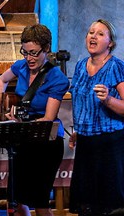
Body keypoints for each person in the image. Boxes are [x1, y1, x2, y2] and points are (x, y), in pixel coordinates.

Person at [0, 24, 70, 216]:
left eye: (34, 53)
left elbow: (48, 118)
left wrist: (21, 124)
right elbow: (2, 80)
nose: (29, 58)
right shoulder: (21, 66)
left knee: (40, 202)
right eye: (25, 53)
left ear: (46, 49)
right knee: (18, 201)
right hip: (23, 140)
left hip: (46, 143)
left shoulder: (57, 78)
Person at [68, 19, 124, 216]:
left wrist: (108, 99)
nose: (93, 36)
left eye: (100, 34)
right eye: (91, 32)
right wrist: (77, 129)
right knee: (86, 202)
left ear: (110, 43)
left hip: (110, 143)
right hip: (85, 142)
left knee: (109, 205)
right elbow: (79, 102)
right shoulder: (81, 65)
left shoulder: (116, 66)